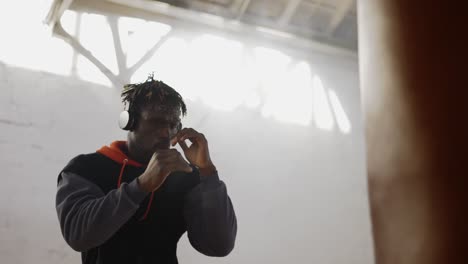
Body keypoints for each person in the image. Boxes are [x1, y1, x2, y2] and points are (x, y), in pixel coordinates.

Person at [55, 75, 237, 264]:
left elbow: (219, 246)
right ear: (129, 121)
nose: (166, 133)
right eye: (156, 122)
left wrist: (207, 171)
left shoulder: (185, 176)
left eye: (173, 125)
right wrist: (141, 186)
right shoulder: (86, 168)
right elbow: (78, 235)